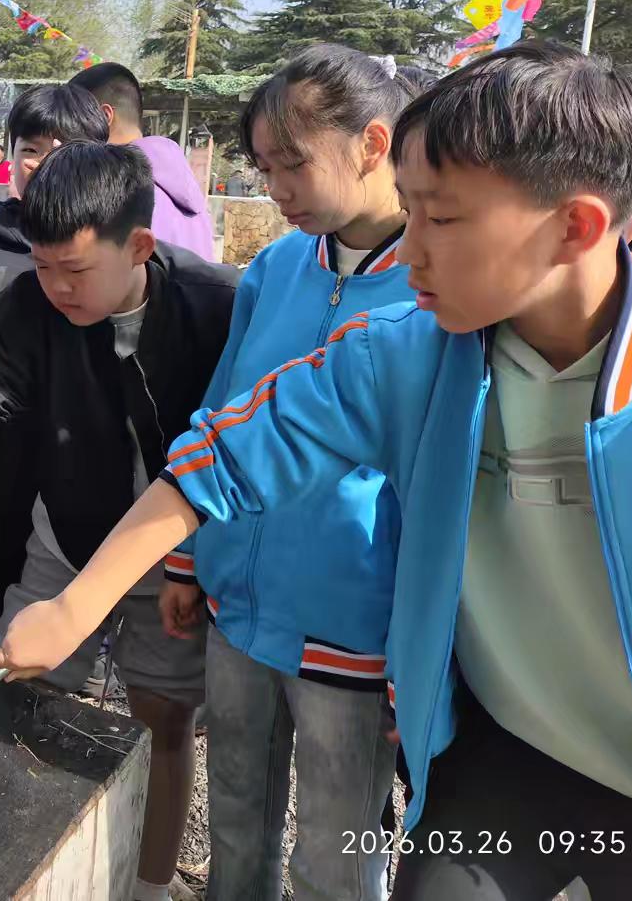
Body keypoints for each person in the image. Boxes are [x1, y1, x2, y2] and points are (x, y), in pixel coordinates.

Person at [0, 42, 632, 900]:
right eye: (411, 211)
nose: (411, 247)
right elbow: (226, 451)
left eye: (441, 219)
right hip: (506, 747)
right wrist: (75, 606)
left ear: (575, 226)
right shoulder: (412, 351)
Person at [0, 141, 238, 901]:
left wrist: (192, 567)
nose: (56, 287)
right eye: (42, 264)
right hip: (62, 542)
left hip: (173, 560)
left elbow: (224, 459)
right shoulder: (30, 302)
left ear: (141, 246)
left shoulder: (214, 306)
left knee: (163, 723)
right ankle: (10, 871)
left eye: (76, 270)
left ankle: (148, 885)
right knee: (15, 696)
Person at [161, 45, 419, 901]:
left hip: (352, 628)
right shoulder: (276, 267)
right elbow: (221, 412)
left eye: (292, 164)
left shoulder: (432, 286)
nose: (273, 188)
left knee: (336, 855)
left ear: (373, 144)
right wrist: (188, 558)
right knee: (236, 818)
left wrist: (422, 651)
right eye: (264, 167)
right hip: (239, 607)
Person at [0, 84, 109, 659]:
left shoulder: (116, 260)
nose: (44, 164)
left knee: (18, 624)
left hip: (57, 475)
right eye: (31, 149)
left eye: (63, 150)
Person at [71, 62, 215, 259]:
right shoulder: (186, 189)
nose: (65, 135)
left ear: (104, 117)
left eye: (71, 120)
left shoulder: (117, 191)